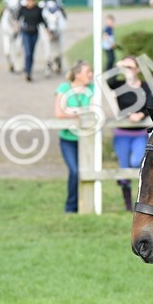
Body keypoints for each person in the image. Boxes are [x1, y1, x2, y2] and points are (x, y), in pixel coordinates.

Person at [109, 56, 153, 212]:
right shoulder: (119, 86)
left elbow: (151, 103)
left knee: (137, 162)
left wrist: (141, 114)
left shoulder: (145, 86)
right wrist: (118, 67)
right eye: (126, 67)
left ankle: (140, 199)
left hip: (139, 133)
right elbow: (108, 81)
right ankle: (128, 206)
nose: (128, 70)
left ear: (137, 69)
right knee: (124, 168)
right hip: (122, 133)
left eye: (130, 67)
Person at [54, 61, 95, 213]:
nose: (90, 74)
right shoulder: (63, 89)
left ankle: (86, 205)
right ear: (77, 74)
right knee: (75, 171)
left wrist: (71, 112)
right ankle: (71, 206)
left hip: (87, 139)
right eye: (87, 72)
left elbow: (93, 112)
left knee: (86, 171)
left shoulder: (92, 89)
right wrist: (80, 114)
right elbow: (59, 114)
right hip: (68, 139)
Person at [17, 0, 44, 82]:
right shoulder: (23, 9)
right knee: (27, 52)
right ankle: (28, 71)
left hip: (35, 32)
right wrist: (15, 28)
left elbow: (43, 21)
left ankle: (29, 68)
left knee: (31, 53)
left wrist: (49, 33)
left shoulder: (38, 9)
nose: (30, 1)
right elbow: (18, 19)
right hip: (26, 32)